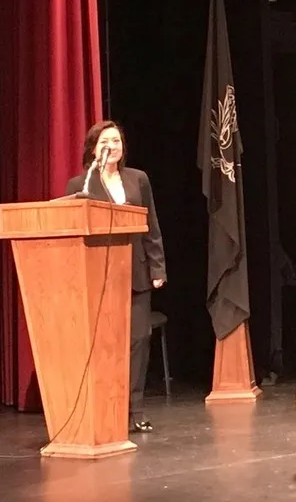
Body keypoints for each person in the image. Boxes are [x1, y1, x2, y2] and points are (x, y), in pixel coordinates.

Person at [64, 120, 166, 434]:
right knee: (105, 343)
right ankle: (105, 407)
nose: (112, 146)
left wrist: (157, 267)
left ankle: (135, 409)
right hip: (99, 276)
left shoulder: (138, 179)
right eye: (105, 142)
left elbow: (151, 225)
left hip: (136, 272)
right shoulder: (80, 185)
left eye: (117, 141)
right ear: (93, 149)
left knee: (139, 340)